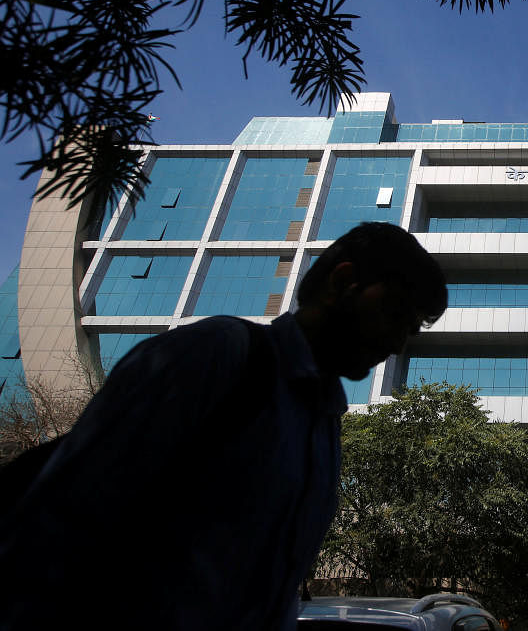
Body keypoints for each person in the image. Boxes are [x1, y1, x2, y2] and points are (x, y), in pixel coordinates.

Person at [0, 222, 448, 630]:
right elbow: (54, 528)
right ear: (343, 282)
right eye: (392, 314)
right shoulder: (216, 357)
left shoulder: (324, 423)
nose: (394, 343)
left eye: (407, 331)